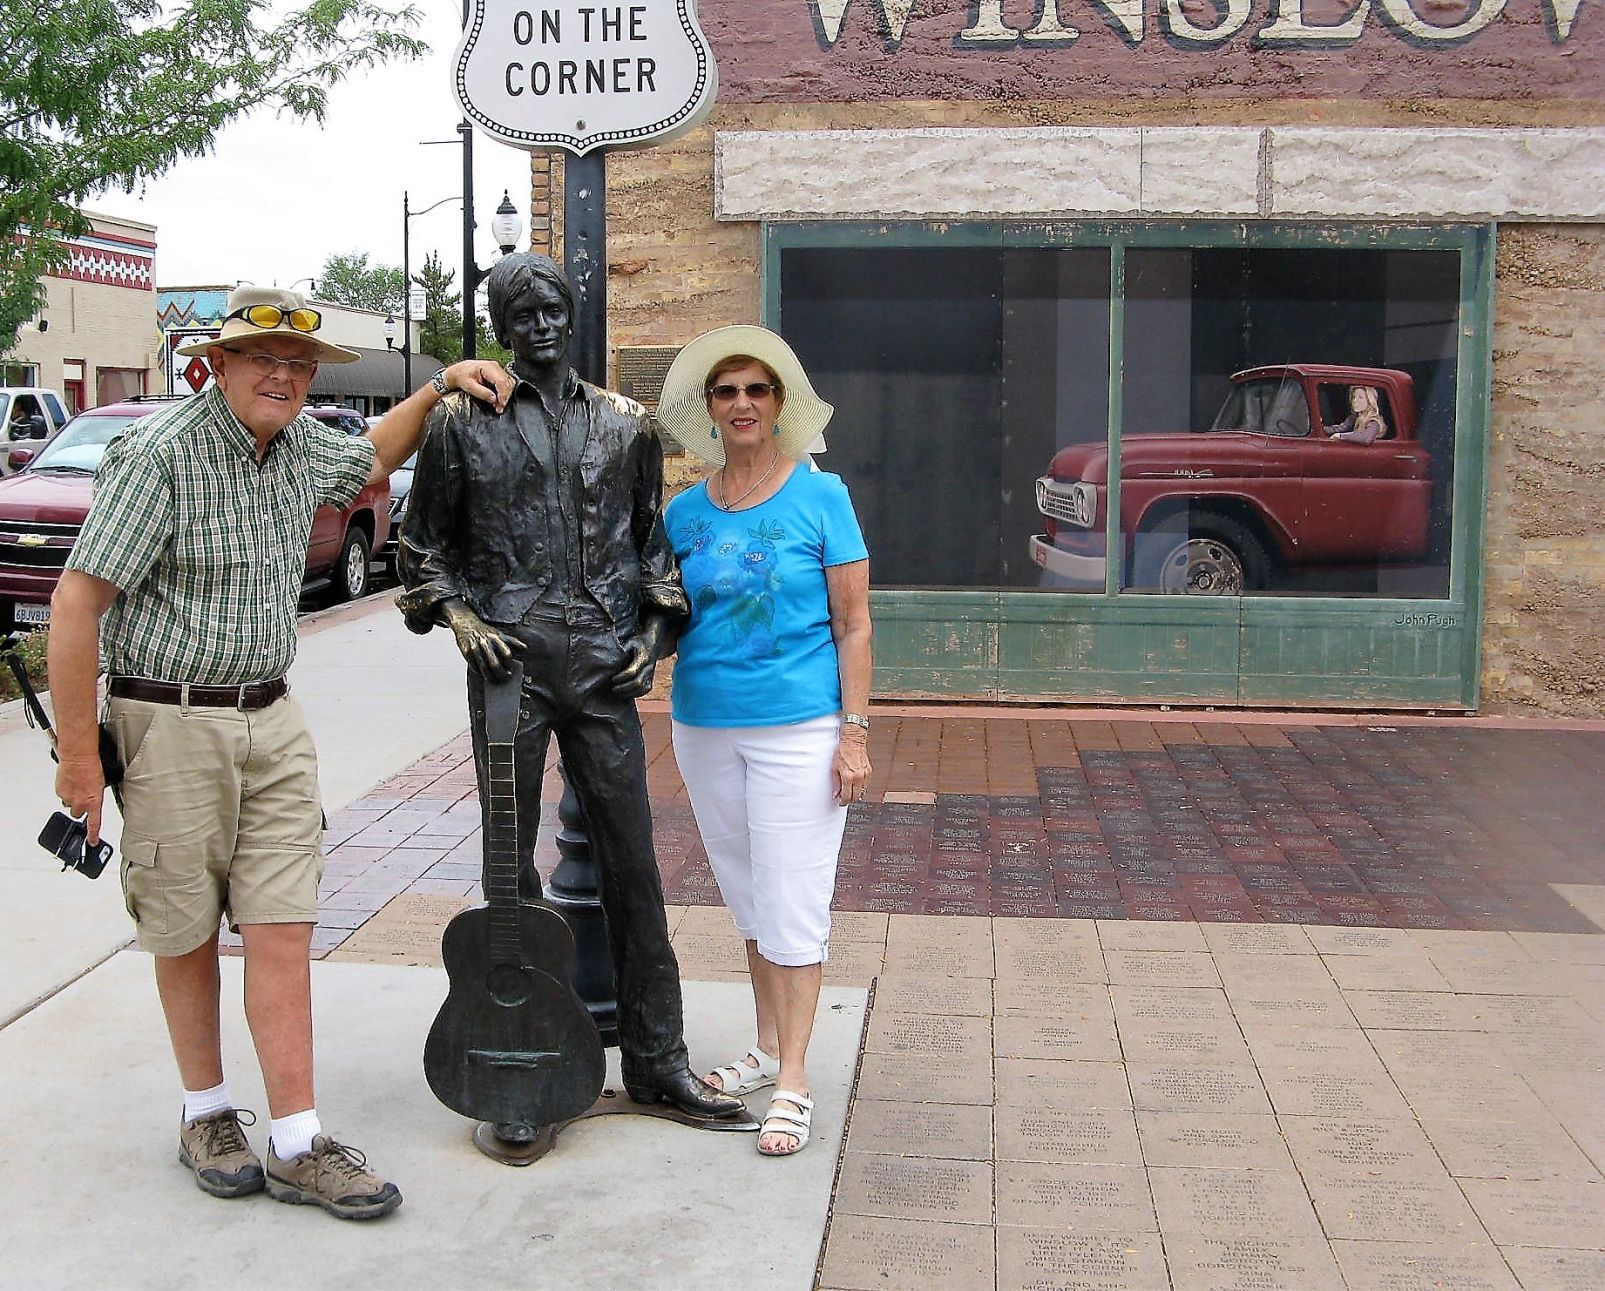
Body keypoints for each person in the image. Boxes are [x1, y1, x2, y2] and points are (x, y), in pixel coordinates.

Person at [48, 285, 514, 1219]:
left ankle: (298, 1137)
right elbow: (75, 604)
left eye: (299, 365)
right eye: (263, 358)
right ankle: (206, 1112)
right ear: (215, 365)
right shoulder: (161, 457)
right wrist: (79, 762)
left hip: (274, 716)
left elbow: (367, 458)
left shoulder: (298, 445)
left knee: (282, 921)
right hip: (167, 719)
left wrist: (435, 389)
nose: (284, 377)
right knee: (183, 925)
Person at [396, 252, 744, 1129]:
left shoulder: (626, 425)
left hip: (598, 665)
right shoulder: (460, 424)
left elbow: (650, 549)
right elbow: (420, 544)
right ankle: (521, 1063)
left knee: (633, 862)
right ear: (503, 328)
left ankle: (658, 1059)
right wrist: (460, 619)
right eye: (524, 314)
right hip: (507, 666)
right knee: (506, 871)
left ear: (571, 315)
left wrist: (652, 636)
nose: (542, 326)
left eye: (554, 309)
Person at [654, 325, 872, 1157]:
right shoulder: (683, 511)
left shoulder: (822, 497)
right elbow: (671, 618)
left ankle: (795, 1079)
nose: (741, 403)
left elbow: (853, 625)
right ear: (708, 410)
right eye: (725, 391)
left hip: (799, 728)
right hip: (705, 725)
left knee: (793, 901)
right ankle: (765, 1044)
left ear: (779, 403)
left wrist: (853, 732)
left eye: (756, 389)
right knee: (748, 895)